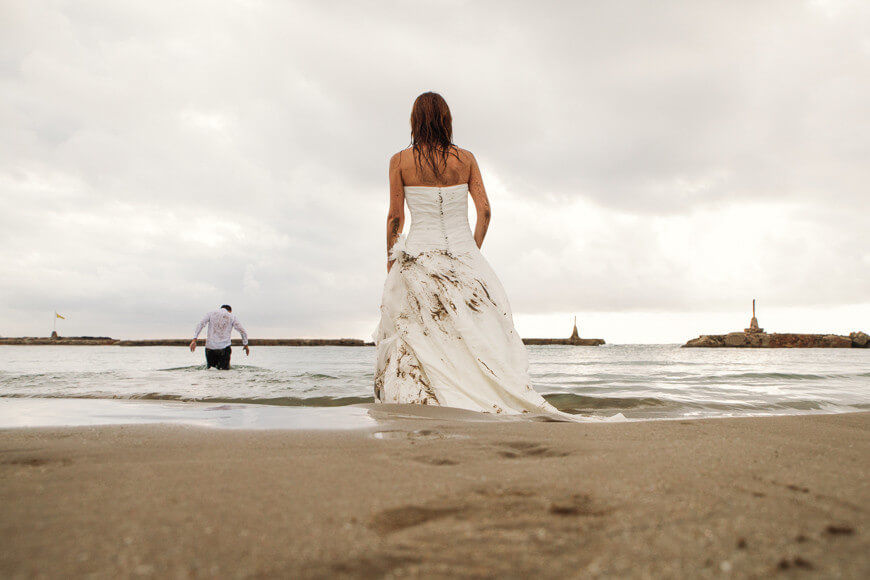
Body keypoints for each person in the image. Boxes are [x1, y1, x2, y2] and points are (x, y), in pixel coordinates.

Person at [373, 92, 562, 416]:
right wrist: (471, 251)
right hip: (465, 256)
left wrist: (391, 261)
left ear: (415, 121)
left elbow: (395, 218)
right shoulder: (467, 159)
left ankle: (429, 402)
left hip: (419, 256)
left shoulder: (399, 162)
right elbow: (485, 211)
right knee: (473, 331)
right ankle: (484, 396)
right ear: (447, 121)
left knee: (422, 335)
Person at [189, 305, 249, 370]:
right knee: (224, 371)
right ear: (230, 311)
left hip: (210, 347)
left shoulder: (211, 313)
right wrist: (245, 344)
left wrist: (194, 339)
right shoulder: (232, 316)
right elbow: (242, 331)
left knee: (211, 370)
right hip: (224, 348)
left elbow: (201, 324)